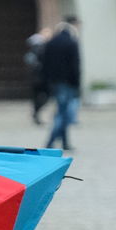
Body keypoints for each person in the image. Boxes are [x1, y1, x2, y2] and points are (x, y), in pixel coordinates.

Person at [41, 15, 81, 151]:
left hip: (55, 82)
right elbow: (75, 66)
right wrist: (76, 85)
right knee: (63, 114)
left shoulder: (52, 42)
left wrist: (47, 83)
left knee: (62, 111)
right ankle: (50, 141)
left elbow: (45, 64)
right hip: (68, 83)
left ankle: (64, 142)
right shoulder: (71, 42)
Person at [24, 26, 52, 125]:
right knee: (44, 95)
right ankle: (36, 112)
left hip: (37, 76)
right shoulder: (39, 46)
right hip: (40, 76)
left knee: (38, 97)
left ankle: (36, 113)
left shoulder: (36, 45)